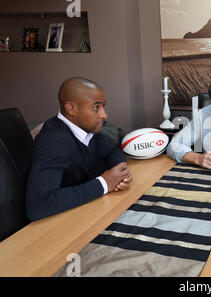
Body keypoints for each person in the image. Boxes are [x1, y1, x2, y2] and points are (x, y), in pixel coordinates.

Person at [26, 77, 132, 221]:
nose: (104, 115)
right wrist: (104, 184)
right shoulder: (53, 142)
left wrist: (120, 174)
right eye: (96, 107)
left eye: (103, 106)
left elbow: (112, 151)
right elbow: (38, 205)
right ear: (71, 108)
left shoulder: (85, 128)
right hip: (61, 224)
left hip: (86, 209)